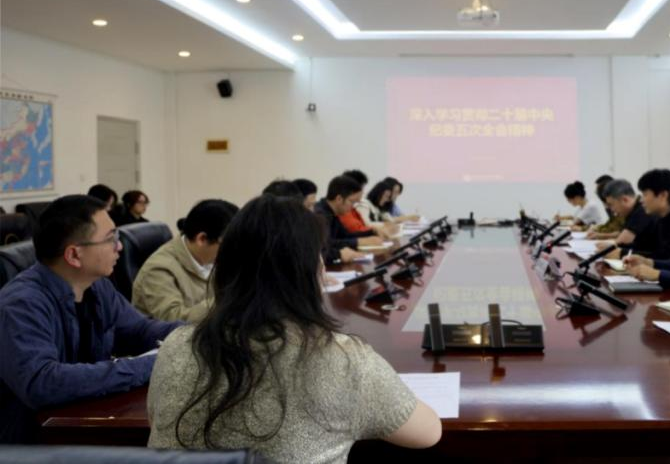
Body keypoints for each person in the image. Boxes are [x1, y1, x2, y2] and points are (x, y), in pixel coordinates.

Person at [147, 195, 442, 462]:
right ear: (310, 271)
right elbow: (428, 433)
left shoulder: (175, 346)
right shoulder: (344, 360)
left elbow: (158, 421)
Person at [0, 195, 181, 443]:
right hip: (30, 441)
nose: (119, 247)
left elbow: (139, 331)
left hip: (83, 423)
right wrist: (151, 365)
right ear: (74, 255)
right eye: (110, 239)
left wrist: (199, 334)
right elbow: (43, 383)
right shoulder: (21, 304)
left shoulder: (96, 286)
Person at [132, 200, 239, 322]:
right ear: (202, 239)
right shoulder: (158, 270)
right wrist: (229, 299)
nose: (231, 252)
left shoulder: (209, 256)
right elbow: (174, 320)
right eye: (227, 245)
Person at [606, 169, 670, 261]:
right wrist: (616, 249)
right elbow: (644, 247)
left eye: (645, 194)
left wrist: (622, 253)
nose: (641, 200)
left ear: (663, 195)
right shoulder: (659, 219)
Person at [315, 175, 383, 265]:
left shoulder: (333, 213)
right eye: (352, 201)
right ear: (339, 199)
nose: (353, 207)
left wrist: (372, 232)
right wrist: (358, 242)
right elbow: (326, 245)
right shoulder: (320, 215)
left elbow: (345, 235)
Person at [599, 179, 657, 251]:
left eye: (611, 204)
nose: (611, 209)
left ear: (625, 200)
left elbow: (619, 244)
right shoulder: (633, 210)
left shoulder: (641, 211)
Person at [586, 174, 626, 239]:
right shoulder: (613, 206)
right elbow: (611, 225)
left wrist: (600, 234)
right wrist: (597, 229)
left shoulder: (622, 208)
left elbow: (620, 231)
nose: (597, 192)